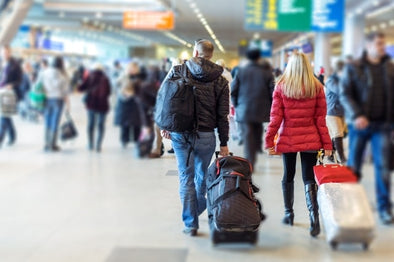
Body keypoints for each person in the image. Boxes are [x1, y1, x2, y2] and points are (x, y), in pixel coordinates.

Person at [160, 39, 229, 236]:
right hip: (207, 135)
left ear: (195, 53)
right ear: (211, 55)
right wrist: (224, 143)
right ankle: (196, 211)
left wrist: (166, 125)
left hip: (181, 134)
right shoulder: (220, 79)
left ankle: (190, 223)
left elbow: (164, 98)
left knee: (185, 177)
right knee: (200, 177)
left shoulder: (178, 70)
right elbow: (222, 115)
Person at [265, 52, 332, 237]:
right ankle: (314, 219)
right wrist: (327, 144)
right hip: (311, 138)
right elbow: (321, 120)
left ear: (290, 66)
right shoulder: (317, 87)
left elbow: (275, 118)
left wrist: (269, 139)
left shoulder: (281, 86)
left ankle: (289, 214)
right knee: (309, 178)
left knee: (288, 175)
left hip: (288, 138)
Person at [339, 32, 394, 225]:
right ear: (368, 45)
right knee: (354, 167)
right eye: (379, 43)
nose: (382, 47)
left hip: (383, 125)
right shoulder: (353, 68)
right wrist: (356, 115)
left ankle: (384, 208)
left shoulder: (390, 67)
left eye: (383, 44)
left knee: (384, 167)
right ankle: (349, 206)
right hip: (360, 125)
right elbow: (344, 93)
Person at [231, 49, 274, 169]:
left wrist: (237, 104)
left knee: (248, 134)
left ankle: (250, 161)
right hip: (262, 107)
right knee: (257, 127)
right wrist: (271, 106)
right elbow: (272, 92)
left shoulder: (241, 71)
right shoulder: (266, 72)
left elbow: (233, 90)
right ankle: (256, 150)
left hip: (244, 108)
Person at [78, 64, 111, 152]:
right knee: (101, 125)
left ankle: (90, 144)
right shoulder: (106, 78)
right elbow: (108, 92)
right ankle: (98, 145)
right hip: (103, 104)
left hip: (91, 103)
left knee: (91, 124)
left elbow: (81, 88)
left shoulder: (90, 77)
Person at [40, 56, 69, 152]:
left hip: (46, 99)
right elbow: (65, 91)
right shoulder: (62, 75)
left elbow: (39, 85)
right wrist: (68, 105)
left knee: (47, 121)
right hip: (58, 99)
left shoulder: (44, 73)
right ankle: (52, 144)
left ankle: (46, 144)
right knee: (55, 122)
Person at [114, 62, 142, 148]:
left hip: (136, 103)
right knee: (125, 124)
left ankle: (136, 140)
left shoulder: (139, 78)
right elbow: (117, 87)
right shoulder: (123, 77)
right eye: (131, 68)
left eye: (134, 68)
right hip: (124, 103)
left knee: (137, 123)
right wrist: (124, 93)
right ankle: (124, 140)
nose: (132, 70)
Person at [0, 45, 22, 147]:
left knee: (4, 116)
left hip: (9, 94)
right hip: (1, 91)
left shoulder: (15, 65)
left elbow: (20, 80)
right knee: (6, 115)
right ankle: (13, 135)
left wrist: (11, 85)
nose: (4, 54)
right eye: (3, 52)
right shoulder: (1, 63)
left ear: (10, 52)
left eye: (6, 52)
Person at [325, 60, 347, 163]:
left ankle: (330, 155)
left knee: (336, 134)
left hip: (341, 111)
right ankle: (342, 157)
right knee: (338, 134)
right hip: (332, 112)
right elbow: (340, 91)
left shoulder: (342, 80)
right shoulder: (331, 80)